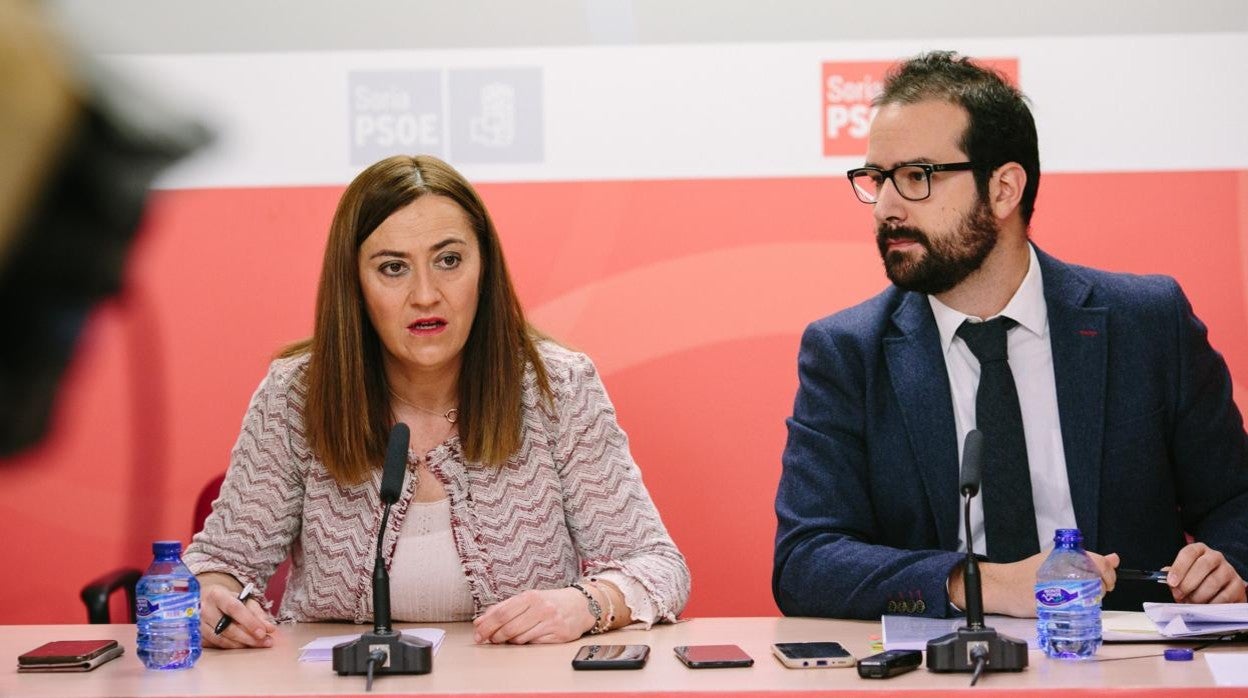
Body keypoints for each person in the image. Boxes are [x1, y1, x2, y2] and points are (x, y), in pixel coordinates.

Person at [773, 51, 1248, 620]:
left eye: (916, 177)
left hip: (1130, 659)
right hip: (937, 670)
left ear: (1003, 189)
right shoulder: (847, 351)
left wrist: (1230, 565)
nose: (887, 207)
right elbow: (806, 561)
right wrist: (984, 586)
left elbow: (1235, 502)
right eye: (877, 179)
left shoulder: (1147, 322)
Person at [185, 154, 689, 648]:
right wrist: (211, 597)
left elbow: (657, 565)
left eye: (449, 261)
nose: (426, 294)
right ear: (354, 286)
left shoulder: (555, 387)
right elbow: (218, 564)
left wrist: (586, 604)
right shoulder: (297, 395)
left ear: (483, 270)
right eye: (392, 268)